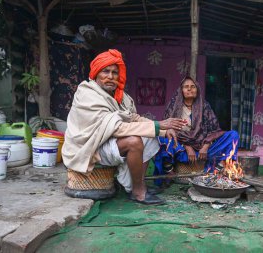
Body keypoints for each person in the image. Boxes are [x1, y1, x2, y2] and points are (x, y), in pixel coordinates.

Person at [62, 49, 186, 205]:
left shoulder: (120, 96)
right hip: (88, 147)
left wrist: (162, 130)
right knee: (134, 141)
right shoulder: (87, 94)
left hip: (107, 141)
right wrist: (157, 125)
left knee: (150, 136)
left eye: (115, 73)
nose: (110, 77)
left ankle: (137, 184)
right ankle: (138, 192)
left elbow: (133, 118)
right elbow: (116, 128)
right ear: (96, 73)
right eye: (105, 71)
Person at [154, 76, 239, 185]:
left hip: (203, 150)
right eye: (186, 87)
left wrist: (206, 145)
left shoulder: (204, 106)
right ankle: (169, 172)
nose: (189, 89)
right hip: (181, 149)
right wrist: (187, 146)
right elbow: (169, 130)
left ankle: (216, 169)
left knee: (233, 135)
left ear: (197, 89)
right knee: (161, 138)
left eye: (192, 86)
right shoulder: (174, 106)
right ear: (181, 91)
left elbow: (214, 130)